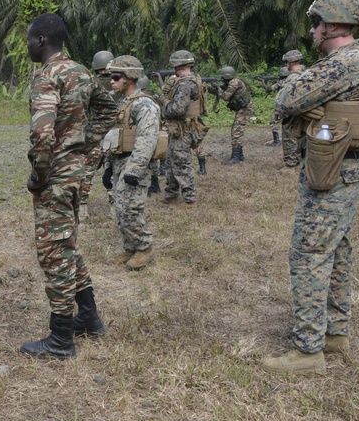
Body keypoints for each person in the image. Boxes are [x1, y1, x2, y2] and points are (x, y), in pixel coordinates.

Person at [261, 0, 359, 375]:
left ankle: (308, 350)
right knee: (336, 249)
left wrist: (295, 86)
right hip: (346, 166)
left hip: (332, 171)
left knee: (308, 254)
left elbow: (287, 97)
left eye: (317, 23)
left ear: (336, 26)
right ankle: (335, 333)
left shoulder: (344, 63)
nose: (312, 30)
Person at [20, 14, 104, 360]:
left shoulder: (47, 76)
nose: (26, 45)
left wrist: (39, 172)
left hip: (55, 176)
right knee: (66, 244)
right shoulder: (82, 71)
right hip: (75, 173)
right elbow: (108, 107)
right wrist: (85, 147)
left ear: (41, 41)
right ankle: (89, 318)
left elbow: (42, 132)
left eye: (28, 39)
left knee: (54, 254)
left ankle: (61, 339)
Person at [100, 55, 160, 270]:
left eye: (116, 77)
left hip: (135, 164)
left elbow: (147, 138)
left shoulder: (144, 105)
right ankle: (130, 246)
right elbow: (114, 135)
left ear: (130, 78)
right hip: (119, 161)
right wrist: (108, 167)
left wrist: (134, 169)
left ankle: (145, 247)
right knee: (120, 207)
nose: (112, 81)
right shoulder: (122, 104)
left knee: (130, 208)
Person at [159, 50, 208, 204]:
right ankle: (171, 195)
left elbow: (177, 110)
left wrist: (163, 101)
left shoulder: (185, 84)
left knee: (181, 163)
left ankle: (189, 199)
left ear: (176, 66)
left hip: (183, 129)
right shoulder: (194, 80)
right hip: (183, 128)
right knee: (171, 161)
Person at [79, 50, 119, 221]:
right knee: (113, 172)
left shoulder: (90, 83)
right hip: (117, 136)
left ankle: (82, 209)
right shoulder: (121, 83)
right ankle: (114, 206)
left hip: (95, 136)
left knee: (87, 173)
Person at [208, 66, 255, 164]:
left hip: (245, 109)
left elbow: (225, 96)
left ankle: (236, 157)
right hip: (243, 108)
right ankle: (239, 155)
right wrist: (209, 88)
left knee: (236, 132)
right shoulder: (234, 81)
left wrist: (217, 87)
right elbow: (221, 92)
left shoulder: (234, 83)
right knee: (236, 130)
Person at [279, 50, 306, 167]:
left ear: (289, 62)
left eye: (286, 62)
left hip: (292, 113)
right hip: (303, 111)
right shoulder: (305, 74)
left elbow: (288, 98)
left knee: (289, 137)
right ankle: (301, 161)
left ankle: (291, 164)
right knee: (301, 138)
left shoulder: (292, 77)